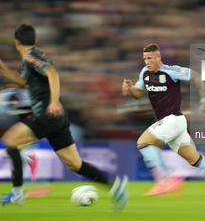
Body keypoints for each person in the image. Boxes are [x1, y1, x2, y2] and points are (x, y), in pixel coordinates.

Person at [0, 24, 128, 211]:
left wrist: (54, 102)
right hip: (57, 119)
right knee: (75, 164)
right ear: (34, 40)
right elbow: (24, 82)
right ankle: (115, 186)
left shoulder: (31, 56)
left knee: (11, 143)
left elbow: (52, 73)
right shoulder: (27, 62)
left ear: (16, 42)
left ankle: (18, 193)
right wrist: (3, 68)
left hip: (47, 114)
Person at [122, 43, 205, 206]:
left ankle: (166, 179)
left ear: (159, 57)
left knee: (143, 143)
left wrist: (204, 100)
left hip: (173, 119)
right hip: (169, 123)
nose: (147, 62)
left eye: (150, 58)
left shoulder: (171, 71)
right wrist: (129, 89)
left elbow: (196, 76)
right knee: (196, 160)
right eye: (145, 59)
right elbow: (138, 93)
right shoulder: (145, 73)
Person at [0, 85, 38, 182]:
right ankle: (29, 159)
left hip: (31, 126)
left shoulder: (14, 94)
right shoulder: (10, 94)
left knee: (9, 152)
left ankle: (29, 159)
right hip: (25, 126)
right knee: (7, 153)